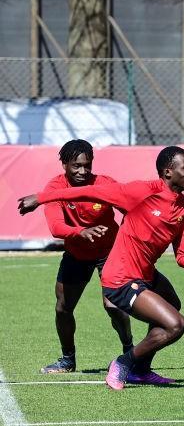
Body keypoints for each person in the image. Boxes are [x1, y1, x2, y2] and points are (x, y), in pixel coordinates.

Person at [19, 146, 184, 390]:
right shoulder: (140, 192)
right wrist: (40, 199)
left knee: (173, 306)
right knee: (176, 325)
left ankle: (141, 370)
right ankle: (123, 363)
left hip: (145, 274)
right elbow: (90, 192)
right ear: (168, 172)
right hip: (121, 277)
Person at [38, 139, 134, 374]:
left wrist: (129, 236)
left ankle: (130, 354)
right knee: (63, 307)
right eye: (76, 166)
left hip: (109, 251)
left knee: (113, 305)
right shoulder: (55, 188)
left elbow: (131, 208)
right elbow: (56, 227)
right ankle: (67, 360)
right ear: (64, 164)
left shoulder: (105, 184)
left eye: (87, 165)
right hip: (77, 253)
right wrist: (80, 232)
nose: (83, 171)